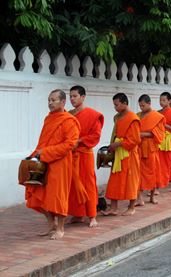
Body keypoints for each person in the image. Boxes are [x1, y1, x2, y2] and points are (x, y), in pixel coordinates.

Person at [25, 89, 80, 240]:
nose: (50, 103)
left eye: (53, 100)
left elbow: (69, 144)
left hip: (60, 163)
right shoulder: (48, 119)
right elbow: (43, 142)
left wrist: (45, 152)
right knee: (37, 194)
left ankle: (60, 228)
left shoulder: (69, 121)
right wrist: (33, 156)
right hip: (44, 162)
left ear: (63, 102)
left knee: (57, 195)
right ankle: (51, 224)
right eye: (49, 100)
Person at [67, 85, 104, 228]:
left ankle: (92, 215)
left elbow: (96, 135)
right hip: (71, 154)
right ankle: (77, 214)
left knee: (88, 183)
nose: (72, 99)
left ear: (83, 97)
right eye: (70, 96)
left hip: (84, 154)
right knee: (73, 185)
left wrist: (80, 141)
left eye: (75, 96)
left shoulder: (91, 114)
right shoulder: (68, 114)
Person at [102, 93, 141, 216]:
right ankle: (113, 208)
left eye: (117, 105)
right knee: (114, 181)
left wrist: (117, 145)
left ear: (125, 103)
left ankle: (131, 207)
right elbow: (115, 134)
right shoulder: (117, 117)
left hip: (129, 154)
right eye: (114, 105)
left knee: (131, 180)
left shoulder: (133, 118)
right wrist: (112, 146)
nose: (115, 107)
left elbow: (134, 140)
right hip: (118, 153)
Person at [136, 94, 165, 205]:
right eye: (140, 106)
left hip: (150, 149)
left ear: (149, 103)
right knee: (137, 174)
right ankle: (139, 198)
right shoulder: (137, 116)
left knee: (153, 172)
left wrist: (141, 134)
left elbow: (159, 134)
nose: (141, 108)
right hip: (138, 148)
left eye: (143, 105)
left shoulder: (157, 116)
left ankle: (152, 196)